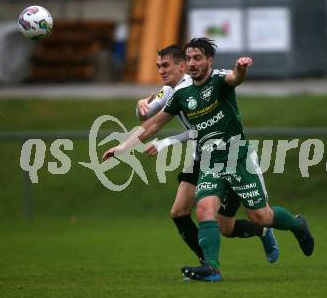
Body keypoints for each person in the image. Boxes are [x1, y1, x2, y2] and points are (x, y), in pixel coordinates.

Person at [103, 38, 314, 282]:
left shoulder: (219, 79)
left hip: (238, 157)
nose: (192, 63)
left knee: (261, 216)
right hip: (209, 161)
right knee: (204, 209)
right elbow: (151, 125)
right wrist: (122, 147)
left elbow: (235, 78)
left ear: (209, 61)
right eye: (189, 58)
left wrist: (242, 68)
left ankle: (298, 225)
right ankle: (211, 268)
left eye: (197, 58)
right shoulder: (181, 93)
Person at [136, 45, 279, 265]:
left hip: (222, 154)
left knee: (226, 226)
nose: (161, 71)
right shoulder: (168, 90)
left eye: (166, 66)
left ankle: (261, 231)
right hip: (199, 157)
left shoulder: (194, 87)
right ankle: (207, 262)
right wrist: (140, 106)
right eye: (158, 67)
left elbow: (197, 129)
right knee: (180, 212)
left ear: (181, 66)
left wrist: (165, 142)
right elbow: (146, 117)